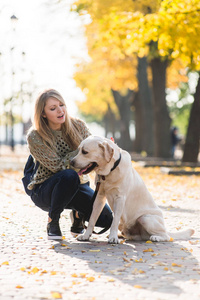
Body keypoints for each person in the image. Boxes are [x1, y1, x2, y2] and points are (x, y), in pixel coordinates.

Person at [25, 89, 113, 240]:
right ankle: (53, 220)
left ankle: (78, 214)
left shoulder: (78, 126)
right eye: (53, 108)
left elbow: (94, 159)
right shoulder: (35, 135)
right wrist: (84, 153)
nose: (60, 111)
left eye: (62, 105)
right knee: (69, 175)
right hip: (46, 189)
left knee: (106, 219)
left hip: (78, 185)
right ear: (43, 113)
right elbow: (58, 166)